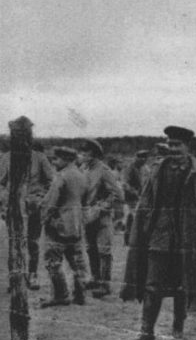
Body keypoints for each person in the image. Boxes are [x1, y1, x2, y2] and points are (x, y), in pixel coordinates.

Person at [122, 126, 196, 340]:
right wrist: (138, 233)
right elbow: (145, 203)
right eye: (171, 144)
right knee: (151, 286)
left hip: (187, 240)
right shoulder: (158, 169)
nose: (173, 149)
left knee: (182, 286)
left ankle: (178, 330)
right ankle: (146, 332)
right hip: (159, 237)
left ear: (188, 146)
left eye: (178, 145)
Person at [0, 117, 55, 290]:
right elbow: (1, 183)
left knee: (32, 243)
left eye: (24, 134)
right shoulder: (7, 158)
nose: (21, 138)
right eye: (17, 135)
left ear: (29, 136)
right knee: (14, 244)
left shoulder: (39, 158)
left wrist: (39, 199)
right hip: (13, 210)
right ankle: (15, 278)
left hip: (33, 209)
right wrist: (5, 199)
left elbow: (52, 183)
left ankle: (32, 275)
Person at [40, 147, 91, 307]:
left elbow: (51, 202)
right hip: (76, 225)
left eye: (56, 159)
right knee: (76, 261)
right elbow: (85, 202)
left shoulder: (61, 177)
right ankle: (80, 295)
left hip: (59, 225)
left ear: (66, 160)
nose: (54, 163)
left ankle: (61, 295)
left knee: (52, 260)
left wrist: (44, 219)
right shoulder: (82, 176)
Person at [79, 139, 124, 298]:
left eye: (86, 153)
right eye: (82, 152)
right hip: (87, 215)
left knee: (104, 250)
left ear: (95, 154)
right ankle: (95, 279)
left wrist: (102, 206)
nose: (82, 155)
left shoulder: (104, 170)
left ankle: (105, 284)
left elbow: (118, 194)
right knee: (91, 249)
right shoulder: (83, 168)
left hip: (102, 217)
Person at [121, 150, 151, 246]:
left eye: (145, 157)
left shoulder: (145, 169)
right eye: (141, 157)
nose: (143, 159)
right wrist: (134, 192)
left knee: (135, 219)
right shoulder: (130, 168)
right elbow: (125, 184)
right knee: (131, 218)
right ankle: (129, 239)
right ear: (136, 157)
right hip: (130, 199)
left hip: (141, 198)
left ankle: (134, 239)